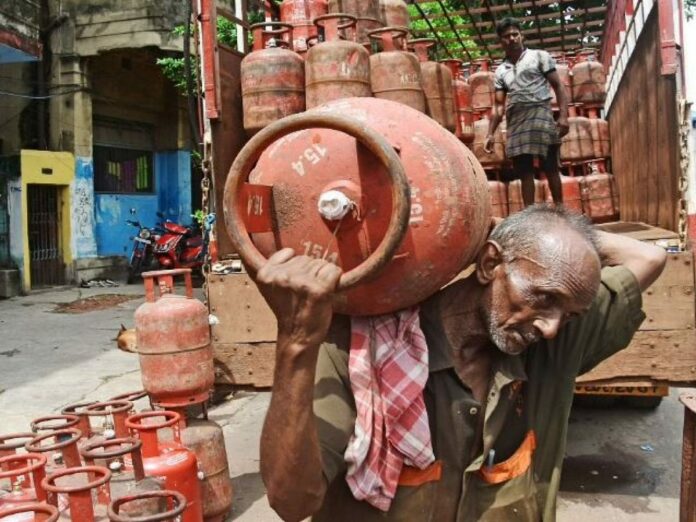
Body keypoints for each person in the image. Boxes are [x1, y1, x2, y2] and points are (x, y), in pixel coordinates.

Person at [255, 205, 666, 521]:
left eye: (571, 314)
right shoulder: (366, 349)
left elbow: (649, 257)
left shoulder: (548, 344)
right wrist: (295, 345)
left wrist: (557, 227)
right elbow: (292, 502)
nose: (554, 328)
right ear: (489, 265)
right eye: (544, 298)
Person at [484, 17, 570, 207]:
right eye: (507, 36)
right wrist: (490, 133)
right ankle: (530, 214)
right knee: (525, 173)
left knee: (551, 168)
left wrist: (563, 116)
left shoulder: (539, 56)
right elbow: (498, 106)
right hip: (516, 123)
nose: (512, 38)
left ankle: (560, 209)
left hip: (541, 117)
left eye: (515, 34)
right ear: (501, 41)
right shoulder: (500, 71)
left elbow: (559, 86)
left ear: (521, 36)